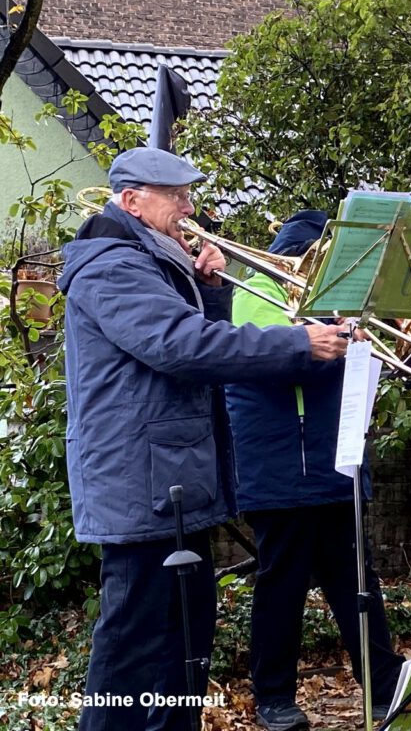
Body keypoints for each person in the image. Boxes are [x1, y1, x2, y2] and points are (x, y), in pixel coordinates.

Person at [59, 148, 352, 731]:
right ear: (132, 200)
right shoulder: (111, 264)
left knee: (184, 646)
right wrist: (299, 344)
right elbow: (179, 347)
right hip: (138, 484)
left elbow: (194, 341)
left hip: (170, 480)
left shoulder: (151, 261)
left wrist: (210, 290)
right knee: (133, 648)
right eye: (177, 197)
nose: (190, 210)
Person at [224, 210, 404, 731]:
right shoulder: (251, 287)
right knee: (281, 585)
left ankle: (384, 686)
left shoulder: (340, 300)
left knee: (357, 583)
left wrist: (366, 342)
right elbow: (265, 362)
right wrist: (328, 336)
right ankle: (274, 697)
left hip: (335, 461)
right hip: (275, 466)